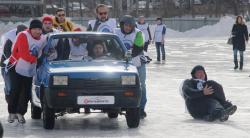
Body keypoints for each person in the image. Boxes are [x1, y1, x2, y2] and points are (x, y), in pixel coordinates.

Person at [7, 19, 46, 124]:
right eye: (35, 29)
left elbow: (43, 51)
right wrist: (37, 60)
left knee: (26, 93)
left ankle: (21, 113)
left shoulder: (43, 38)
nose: (38, 31)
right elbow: (24, 54)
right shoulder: (23, 35)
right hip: (16, 67)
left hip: (29, 69)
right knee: (15, 90)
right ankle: (12, 112)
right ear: (31, 29)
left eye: (39, 29)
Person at [114, 15, 148, 119]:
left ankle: (141, 108)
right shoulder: (115, 32)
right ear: (122, 24)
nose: (128, 28)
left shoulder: (138, 33)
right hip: (121, 65)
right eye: (126, 25)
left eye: (130, 26)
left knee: (141, 85)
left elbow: (137, 49)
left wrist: (124, 54)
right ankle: (115, 107)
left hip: (137, 64)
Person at [0, 25, 27, 103]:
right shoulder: (10, 40)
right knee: (10, 85)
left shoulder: (27, 38)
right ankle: (9, 97)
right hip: (7, 65)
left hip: (19, 65)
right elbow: (8, 55)